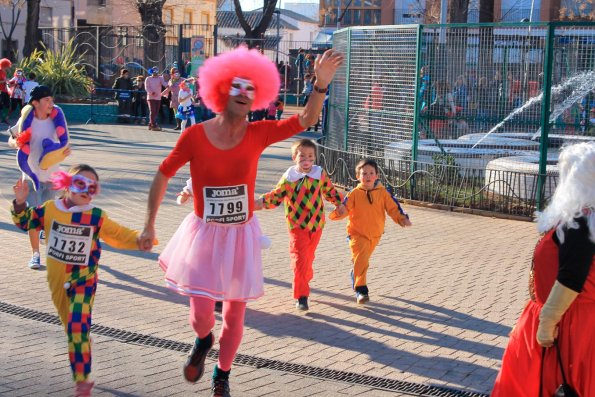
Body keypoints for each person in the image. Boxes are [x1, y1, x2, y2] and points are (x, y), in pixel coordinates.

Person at [138, 46, 343, 397]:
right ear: (220, 90)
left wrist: (320, 85)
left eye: (251, 88)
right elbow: (162, 174)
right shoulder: (194, 135)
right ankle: (203, 339)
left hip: (241, 236)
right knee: (201, 314)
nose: (244, 94)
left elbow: (305, 120)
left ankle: (222, 374)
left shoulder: (258, 133)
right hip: (203, 234)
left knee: (235, 315)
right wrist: (149, 224)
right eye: (237, 86)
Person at [10, 164, 152, 397]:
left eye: (92, 187)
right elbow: (25, 222)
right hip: (57, 282)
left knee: (77, 328)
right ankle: (82, 343)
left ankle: (82, 380)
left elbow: (117, 234)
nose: (86, 190)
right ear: (67, 184)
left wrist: (141, 240)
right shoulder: (49, 209)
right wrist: (20, 202)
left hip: (83, 282)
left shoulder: (95, 216)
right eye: (80, 183)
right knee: (73, 329)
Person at [491, 142, 595, 397]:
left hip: (569, 323)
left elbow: (572, 277)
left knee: (554, 384)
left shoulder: (581, 220)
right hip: (568, 319)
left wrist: (547, 321)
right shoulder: (583, 218)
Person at [255, 139, 345, 310]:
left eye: (310, 156)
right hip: (297, 225)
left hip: (317, 224)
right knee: (300, 259)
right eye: (302, 155)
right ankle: (301, 296)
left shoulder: (319, 174)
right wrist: (258, 203)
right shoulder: (289, 178)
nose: (306, 159)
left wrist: (340, 204)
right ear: (294, 157)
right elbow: (275, 197)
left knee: (308, 259)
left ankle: (304, 277)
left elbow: (330, 192)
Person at [329, 159, 412, 304]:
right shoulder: (354, 193)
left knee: (363, 260)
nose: (367, 176)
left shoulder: (383, 193)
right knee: (361, 258)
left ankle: (355, 273)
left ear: (377, 175)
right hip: (356, 234)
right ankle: (361, 290)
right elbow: (345, 208)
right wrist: (339, 212)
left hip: (375, 234)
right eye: (364, 173)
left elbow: (393, 208)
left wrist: (402, 219)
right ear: (358, 176)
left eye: (371, 173)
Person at [7, 85, 71, 270]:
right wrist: (16, 142)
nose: (51, 103)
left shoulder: (56, 118)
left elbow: (65, 142)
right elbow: (11, 138)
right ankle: (35, 255)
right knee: (33, 217)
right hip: (30, 177)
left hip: (51, 177)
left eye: (52, 100)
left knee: (50, 217)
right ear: (35, 103)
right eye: (47, 100)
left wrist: (63, 152)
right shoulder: (27, 118)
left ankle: (47, 241)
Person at [144, 67, 166, 131]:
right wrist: (152, 93)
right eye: (154, 71)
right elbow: (147, 87)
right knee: (152, 111)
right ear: (152, 72)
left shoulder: (160, 78)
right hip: (150, 97)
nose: (155, 73)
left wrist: (168, 85)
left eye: (156, 71)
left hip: (158, 97)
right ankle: (154, 125)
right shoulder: (148, 78)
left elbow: (164, 83)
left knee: (156, 112)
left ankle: (150, 124)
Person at [0, 57, 12, 124]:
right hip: (1, 91)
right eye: (7, 66)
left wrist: (7, 81)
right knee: (2, 105)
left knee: (7, 105)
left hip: (5, 91)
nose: (8, 67)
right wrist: (4, 81)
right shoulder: (0, 71)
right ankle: (3, 118)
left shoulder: (4, 72)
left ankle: (4, 118)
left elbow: (4, 81)